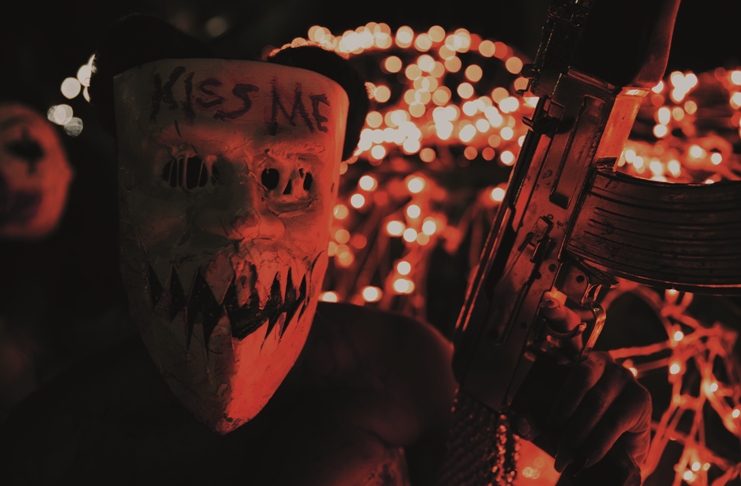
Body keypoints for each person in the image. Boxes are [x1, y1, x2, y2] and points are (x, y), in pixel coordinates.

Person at [0, 15, 651, 485]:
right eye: (191, 174)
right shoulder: (49, 422)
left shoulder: (397, 367)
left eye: (286, 181)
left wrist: (576, 449)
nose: (242, 222)